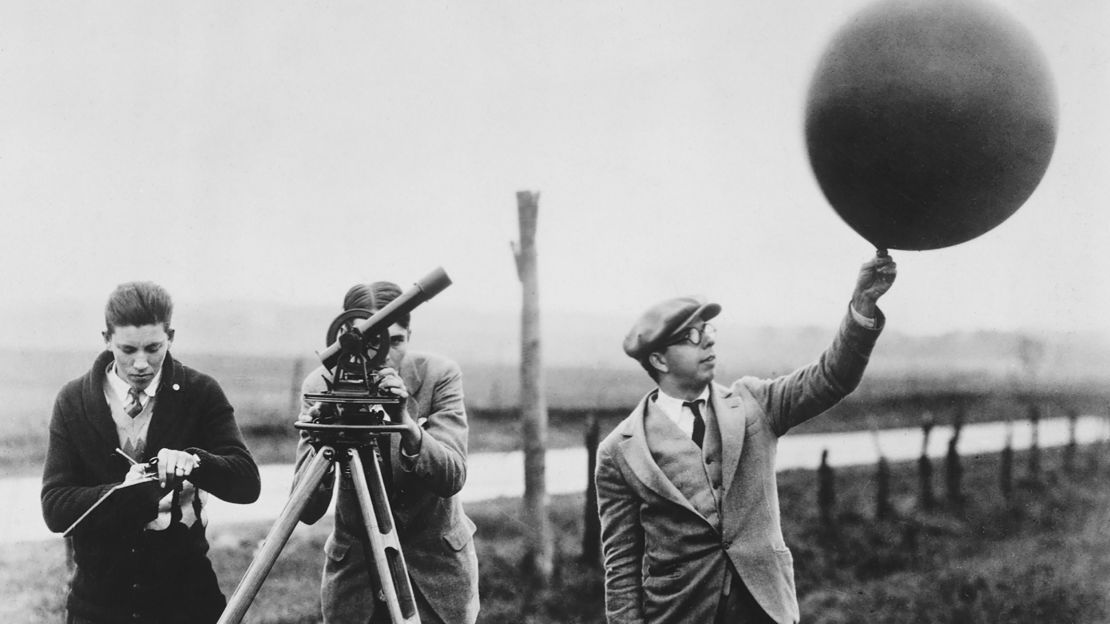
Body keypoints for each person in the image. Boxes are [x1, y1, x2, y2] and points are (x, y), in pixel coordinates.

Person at [595, 253, 897, 624]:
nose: (708, 341)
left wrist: (863, 306)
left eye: (709, 331)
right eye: (693, 336)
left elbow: (832, 377)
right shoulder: (619, 451)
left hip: (765, 608)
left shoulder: (755, 403)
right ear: (659, 360)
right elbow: (621, 565)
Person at [41, 281, 261, 624]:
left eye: (153, 348)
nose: (141, 363)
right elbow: (55, 508)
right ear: (106, 339)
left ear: (170, 336)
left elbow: (247, 483)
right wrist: (125, 495)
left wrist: (195, 460)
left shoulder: (200, 392)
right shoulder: (72, 401)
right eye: (128, 349)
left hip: (188, 604)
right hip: (97, 607)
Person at [293, 280, 479, 624]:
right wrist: (321, 439)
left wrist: (406, 423)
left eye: (395, 341)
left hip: (433, 581)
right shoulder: (322, 386)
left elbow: (452, 476)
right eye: (371, 342)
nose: (383, 355)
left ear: (409, 337)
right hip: (357, 586)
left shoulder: (439, 376)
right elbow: (306, 510)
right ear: (345, 338)